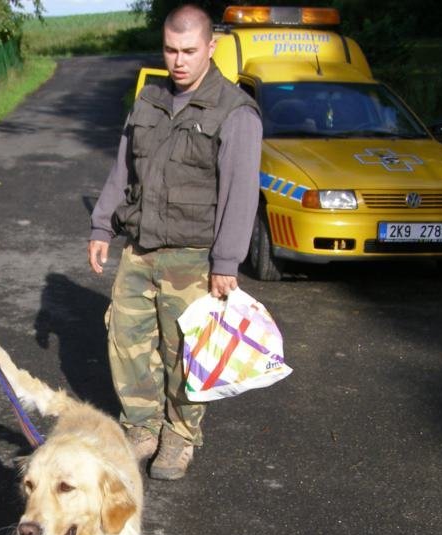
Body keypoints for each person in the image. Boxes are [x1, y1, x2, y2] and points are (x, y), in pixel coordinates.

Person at [88, 4, 261, 481]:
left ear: (211, 47)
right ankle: (141, 428)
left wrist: (227, 262)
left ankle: (180, 436)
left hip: (194, 256)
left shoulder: (234, 110)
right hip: (140, 248)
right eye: (170, 49)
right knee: (126, 342)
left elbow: (240, 193)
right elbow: (122, 169)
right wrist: (102, 226)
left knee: (186, 352)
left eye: (188, 50)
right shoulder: (148, 100)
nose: (178, 60)